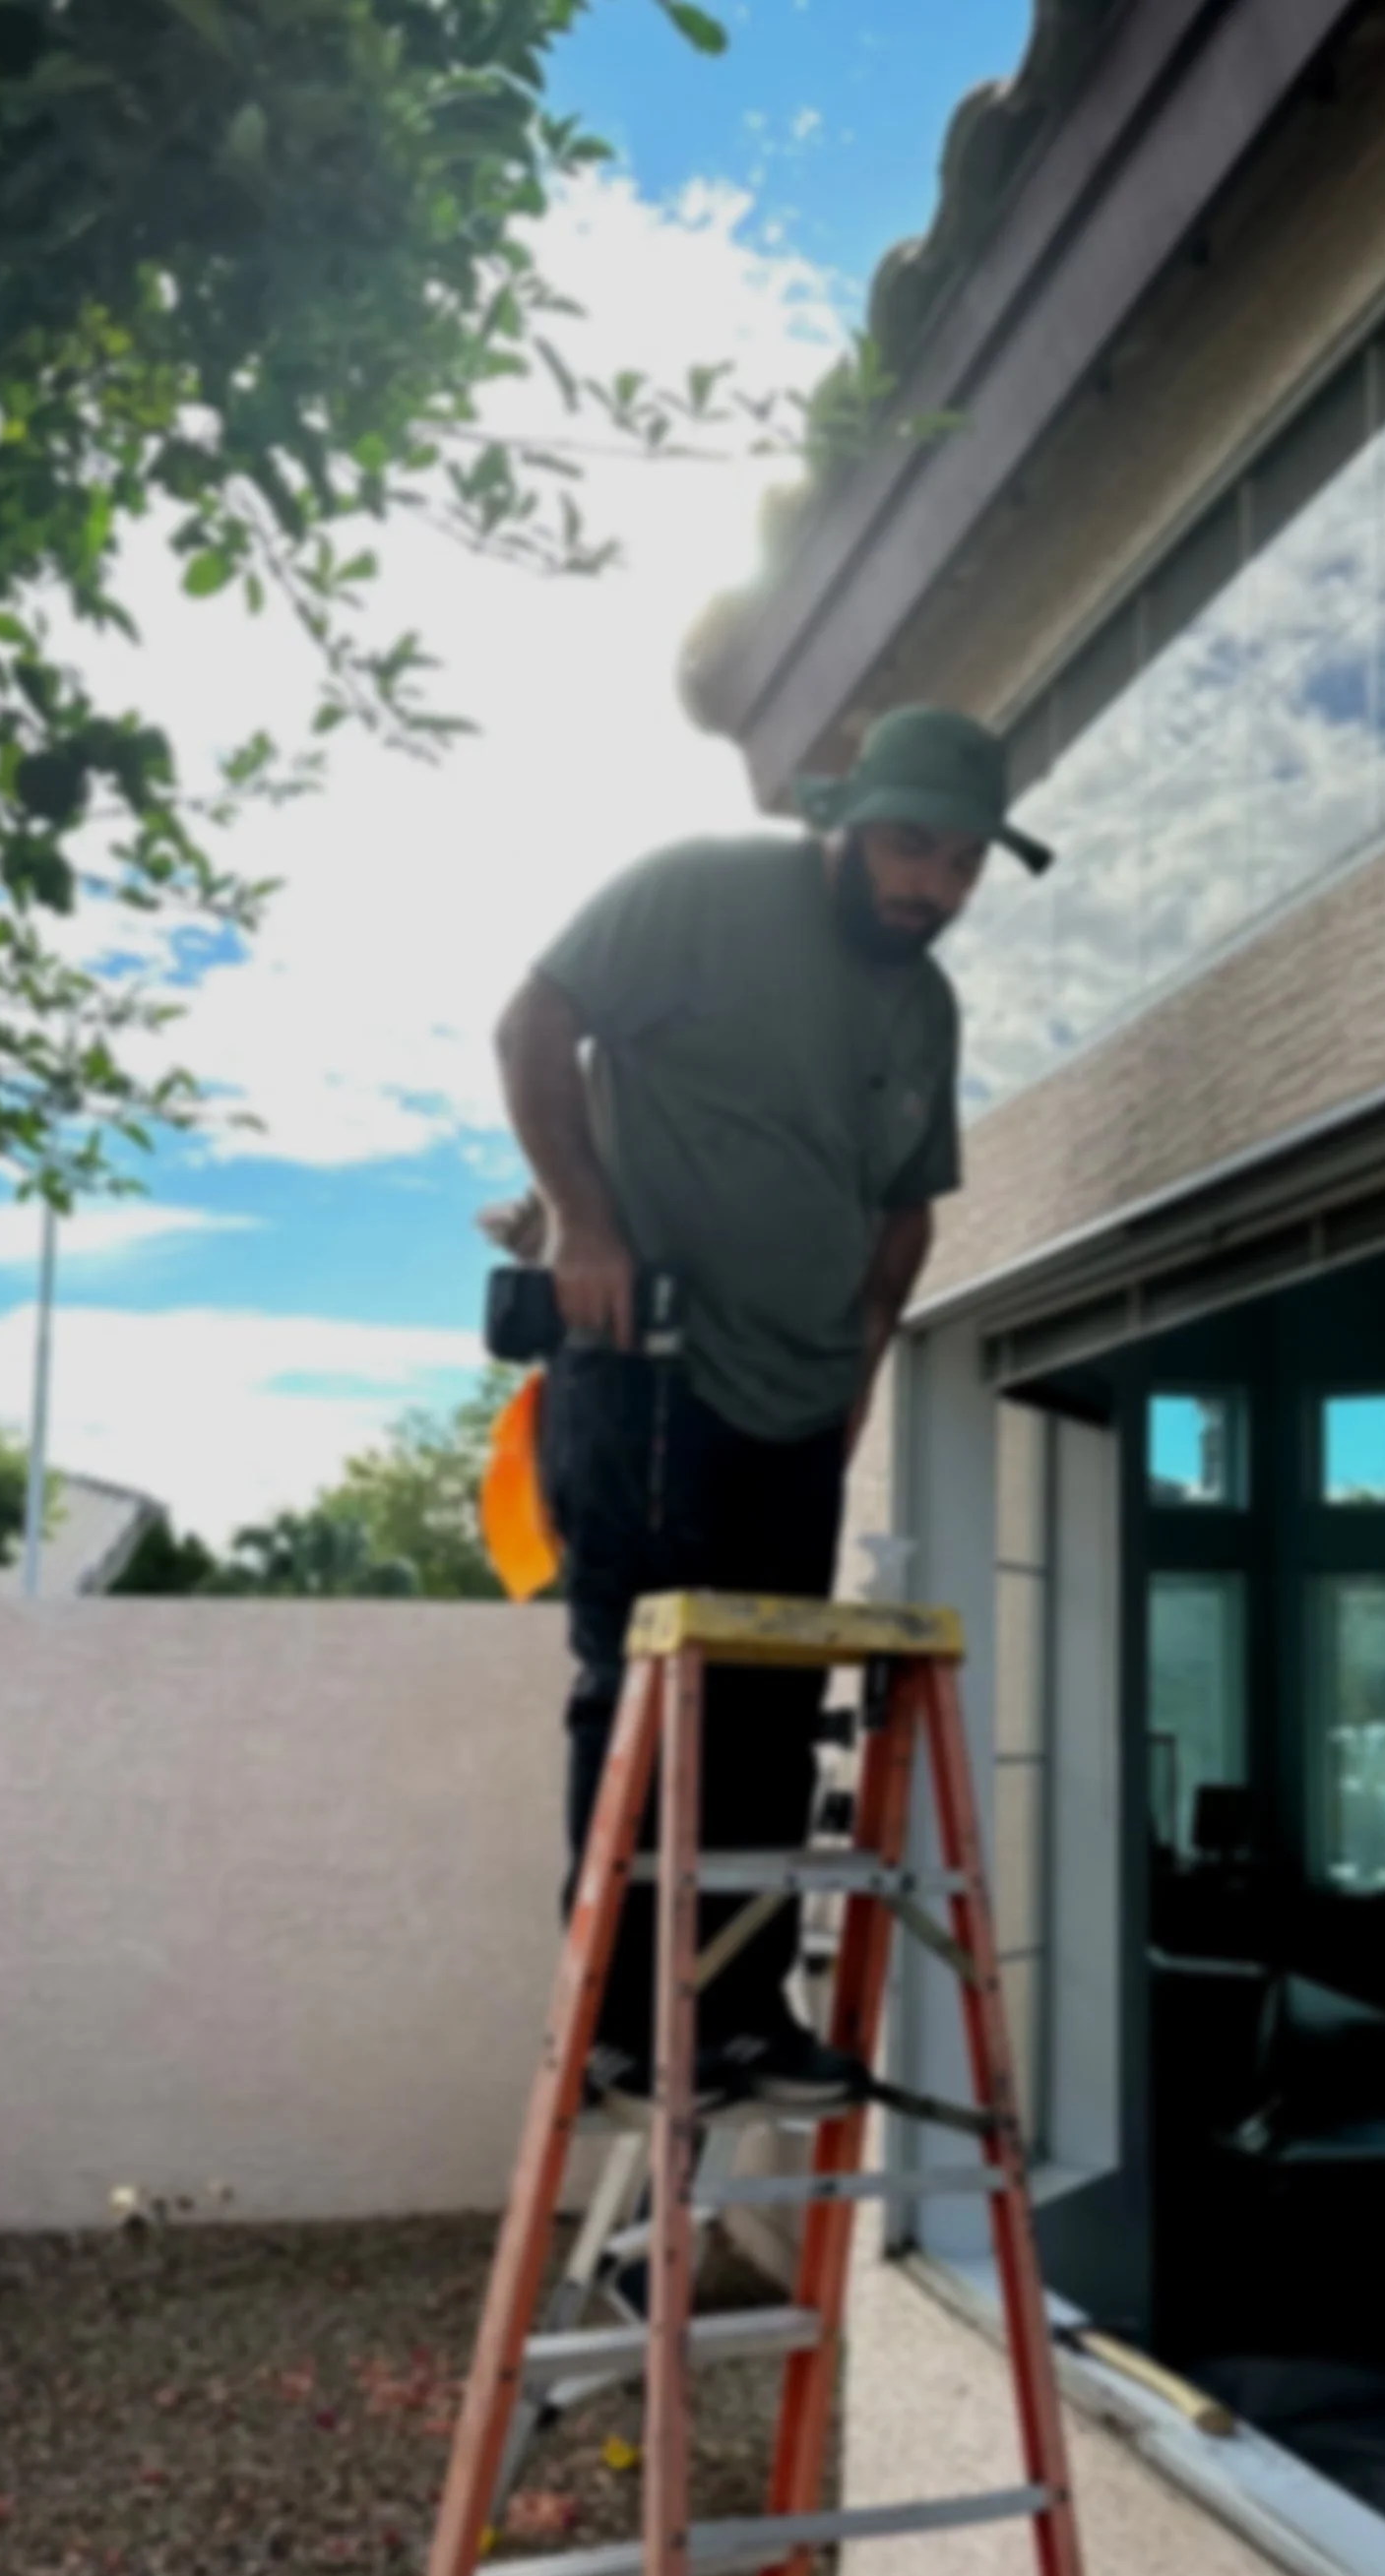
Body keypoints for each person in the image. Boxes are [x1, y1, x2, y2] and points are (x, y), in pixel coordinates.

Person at [493, 705, 1054, 2107]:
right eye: (910, 848)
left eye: (963, 866)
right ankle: (626, 2030)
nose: (931, 887)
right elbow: (533, 1025)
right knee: (642, 1686)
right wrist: (581, 1221)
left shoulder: (923, 1007)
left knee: (767, 1702)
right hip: (649, 1369)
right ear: (844, 824)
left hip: (801, 1401)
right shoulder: (701, 890)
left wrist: (860, 1378)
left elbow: (902, 1217)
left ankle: (739, 2015)